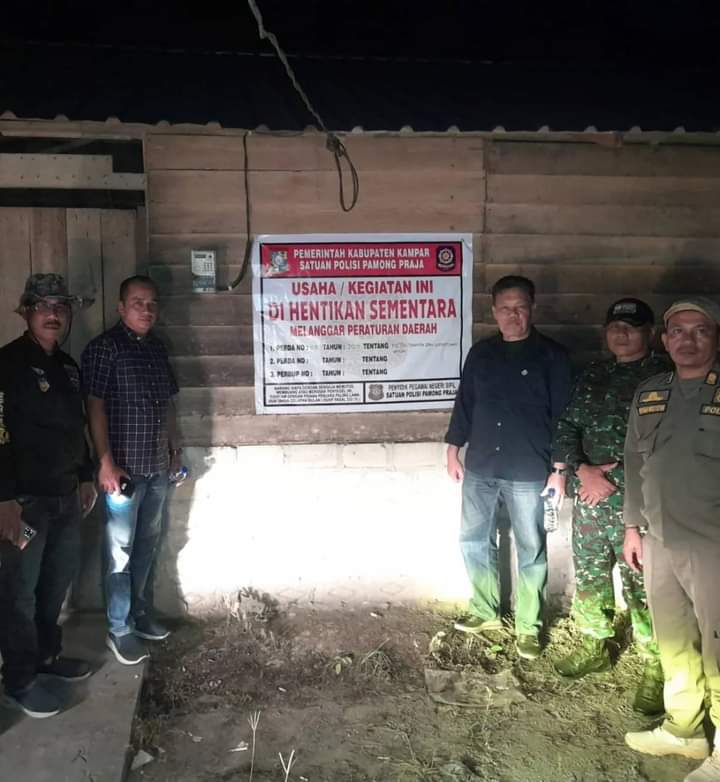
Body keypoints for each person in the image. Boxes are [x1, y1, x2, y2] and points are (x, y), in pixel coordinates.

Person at [548, 298, 667, 714]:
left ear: (650, 333)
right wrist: (582, 470)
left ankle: (656, 663)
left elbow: (669, 445)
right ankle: (594, 644)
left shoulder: (665, 377)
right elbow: (567, 427)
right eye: (615, 326)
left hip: (640, 506)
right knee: (592, 576)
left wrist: (612, 480)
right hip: (591, 501)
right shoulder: (593, 375)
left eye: (631, 327)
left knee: (644, 585)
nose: (622, 333)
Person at [446, 275, 573, 659]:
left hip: (530, 469)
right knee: (473, 539)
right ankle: (484, 610)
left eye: (520, 308)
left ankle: (528, 627)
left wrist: (559, 469)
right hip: (481, 465)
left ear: (532, 308)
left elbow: (565, 416)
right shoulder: (481, 354)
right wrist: (453, 449)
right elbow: (465, 403)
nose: (513, 315)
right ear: (494, 311)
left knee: (531, 548)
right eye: (505, 308)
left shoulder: (553, 356)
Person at [623, 296, 720, 782]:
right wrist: (632, 526)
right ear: (664, 340)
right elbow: (634, 461)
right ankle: (685, 728)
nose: (687, 340)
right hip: (659, 538)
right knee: (674, 639)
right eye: (677, 331)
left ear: (715, 337)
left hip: (713, 543)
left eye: (700, 330)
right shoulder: (650, 393)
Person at [0, 273, 98, 718]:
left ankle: (45, 657)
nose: (53, 314)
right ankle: (19, 680)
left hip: (64, 495)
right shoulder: (7, 364)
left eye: (61, 306)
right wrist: (3, 499)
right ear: (26, 312)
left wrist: (85, 475)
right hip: (24, 501)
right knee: (18, 593)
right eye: (43, 306)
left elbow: (76, 428)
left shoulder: (69, 368)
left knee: (54, 584)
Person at [81, 275, 181, 666]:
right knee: (119, 552)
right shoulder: (104, 348)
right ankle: (119, 628)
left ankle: (140, 615)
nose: (146, 309)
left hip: (157, 469)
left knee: (147, 545)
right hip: (122, 474)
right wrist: (105, 463)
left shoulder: (157, 348)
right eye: (138, 302)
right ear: (121, 307)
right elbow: (94, 406)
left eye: (152, 303)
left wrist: (175, 450)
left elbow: (168, 404)